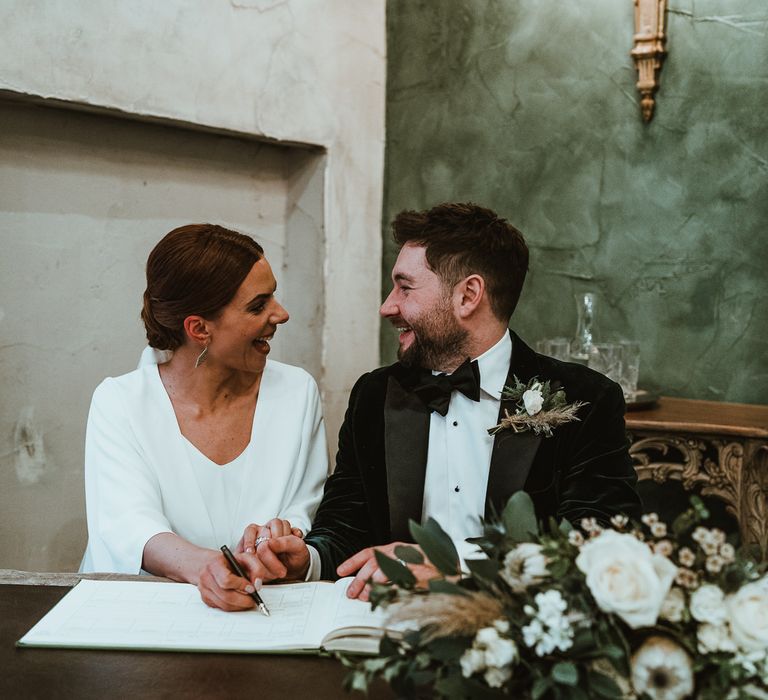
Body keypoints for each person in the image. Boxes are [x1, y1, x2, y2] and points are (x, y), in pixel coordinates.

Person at [254, 202, 642, 599]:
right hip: (385, 628)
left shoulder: (586, 400)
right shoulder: (375, 395)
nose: (387, 306)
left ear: (468, 295)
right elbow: (347, 523)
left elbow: (598, 540)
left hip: (520, 629)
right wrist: (307, 560)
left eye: (405, 287)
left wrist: (452, 562)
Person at [80, 223, 328, 611]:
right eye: (258, 305)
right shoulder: (120, 402)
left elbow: (305, 503)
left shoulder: (297, 393)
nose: (281, 314)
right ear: (199, 328)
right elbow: (127, 526)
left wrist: (280, 535)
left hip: (269, 613)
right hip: (144, 613)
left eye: (273, 297)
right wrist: (205, 569)